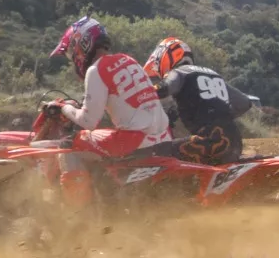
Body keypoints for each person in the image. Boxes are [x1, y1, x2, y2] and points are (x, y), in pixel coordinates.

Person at [48, 17, 172, 154]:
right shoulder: (129, 60)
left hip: (136, 142)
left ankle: (71, 176)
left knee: (69, 142)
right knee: (104, 134)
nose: (72, 57)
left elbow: (88, 121)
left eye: (71, 51)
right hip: (164, 137)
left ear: (83, 43)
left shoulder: (96, 69)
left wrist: (64, 107)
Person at [143, 36, 254, 165]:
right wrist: (220, 114)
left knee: (154, 152)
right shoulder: (212, 73)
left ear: (167, 57)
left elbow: (164, 88)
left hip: (210, 143)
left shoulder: (180, 72)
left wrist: (142, 93)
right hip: (235, 144)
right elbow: (245, 102)